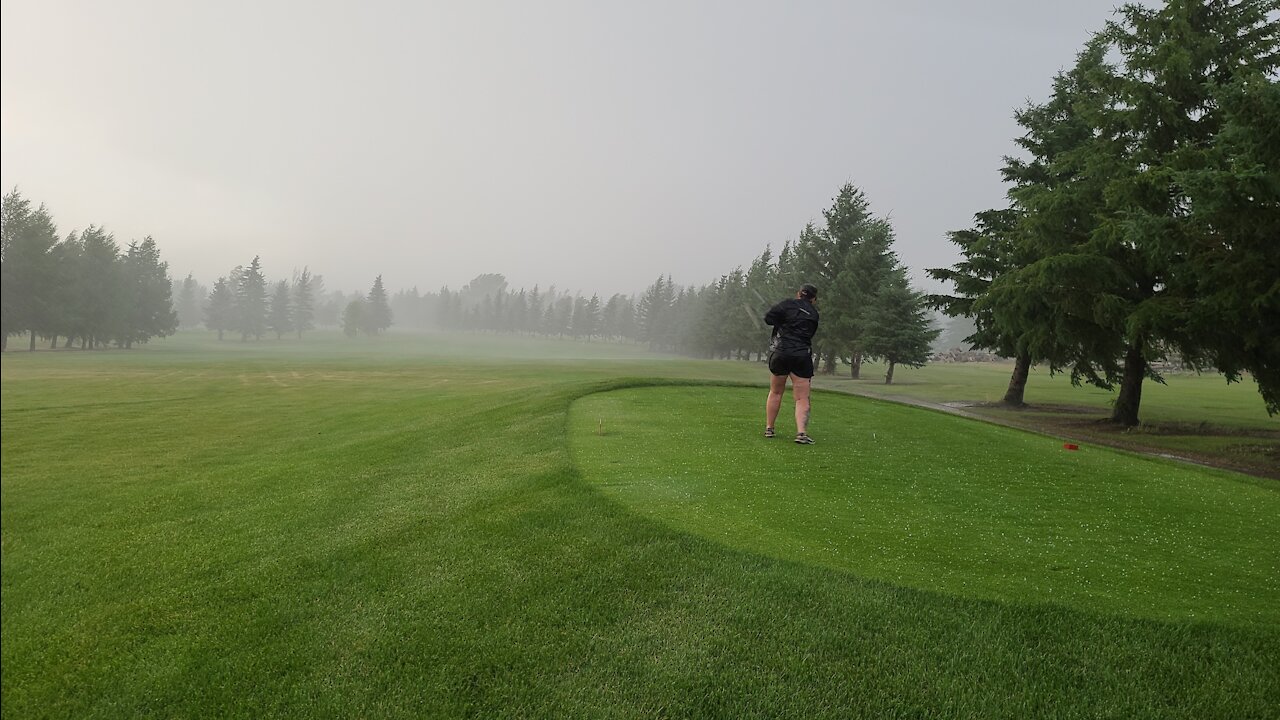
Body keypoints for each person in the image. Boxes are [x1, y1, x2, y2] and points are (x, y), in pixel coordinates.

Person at [763, 283, 820, 444]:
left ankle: (769, 428)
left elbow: (768, 318)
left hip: (781, 353)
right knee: (802, 397)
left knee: (775, 392)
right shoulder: (814, 314)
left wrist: (780, 319)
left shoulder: (787, 304)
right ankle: (801, 433)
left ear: (798, 294)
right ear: (813, 299)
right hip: (801, 355)